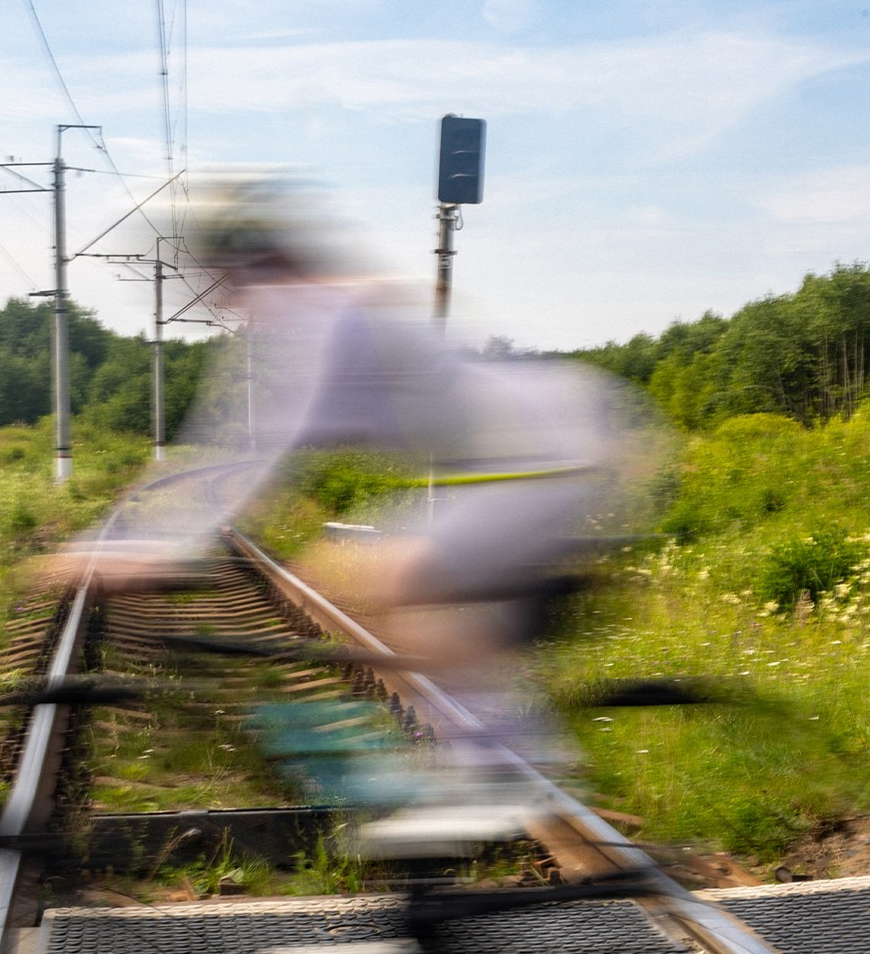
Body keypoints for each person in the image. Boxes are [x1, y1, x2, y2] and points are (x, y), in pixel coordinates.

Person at [55, 175, 652, 857]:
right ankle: (491, 760)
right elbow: (237, 444)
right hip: (530, 457)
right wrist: (133, 540)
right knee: (356, 579)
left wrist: (142, 548)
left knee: (389, 582)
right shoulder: (305, 308)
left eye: (209, 266)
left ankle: (506, 772)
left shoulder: (313, 313)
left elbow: (258, 454)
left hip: (549, 459)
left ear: (241, 258)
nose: (206, 283)